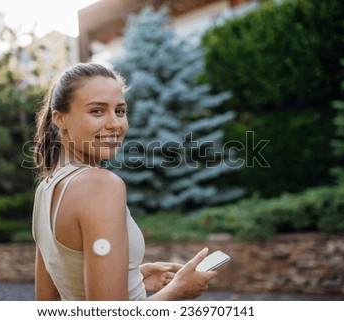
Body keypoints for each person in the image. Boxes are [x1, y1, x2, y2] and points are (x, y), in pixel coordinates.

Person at [32, 62, 217, 300]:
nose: (115, 124)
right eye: (97, 111)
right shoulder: (101, 185)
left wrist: (132, 278)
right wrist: (176, 291)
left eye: (119, 111)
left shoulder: (45, 189)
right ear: (60, 119)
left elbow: (49, 302)